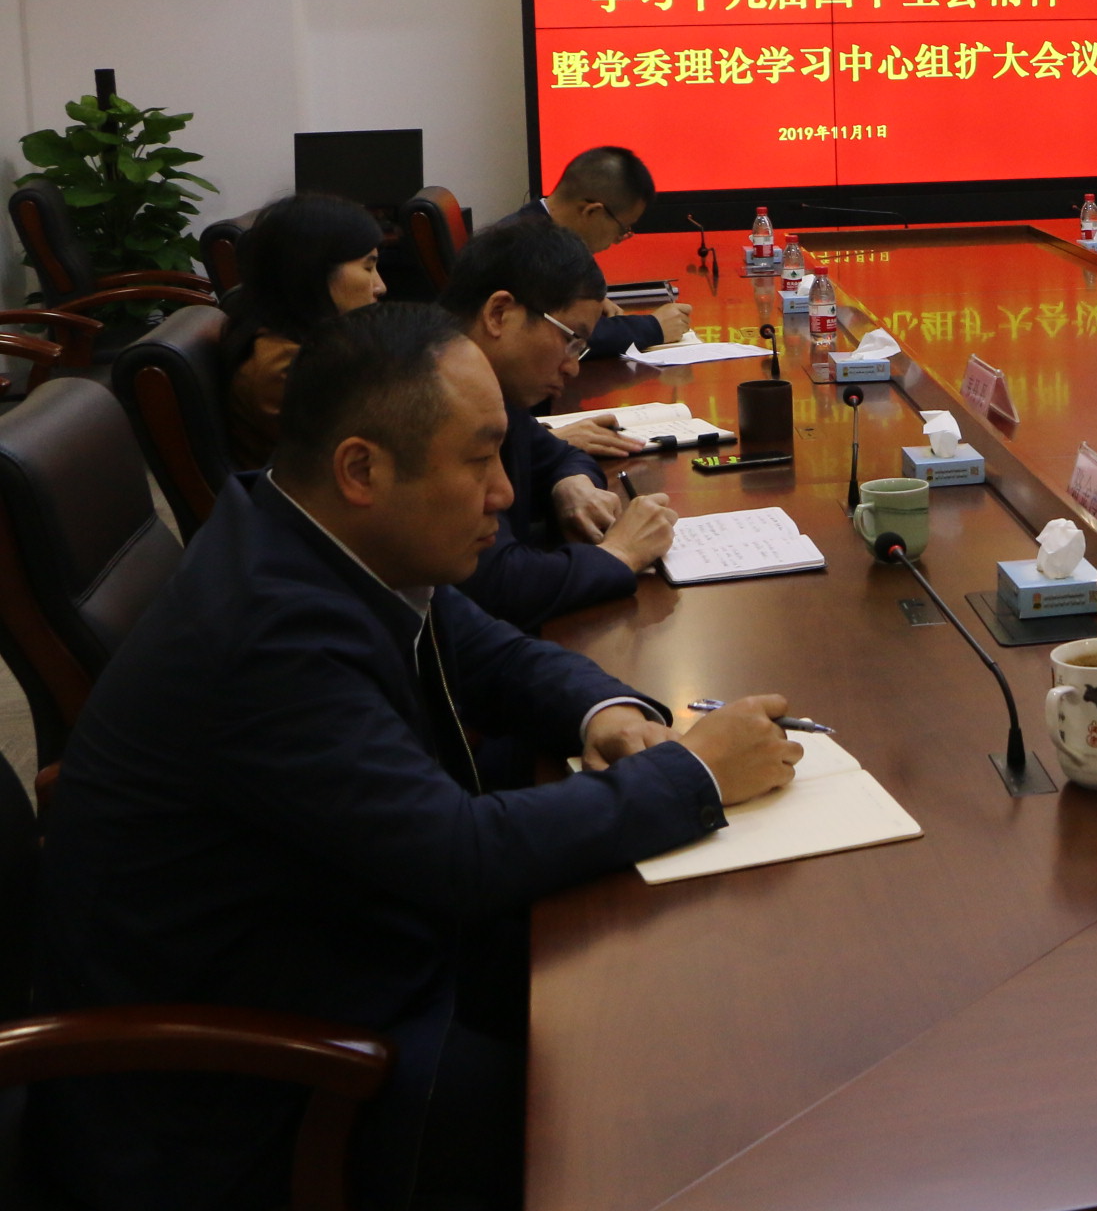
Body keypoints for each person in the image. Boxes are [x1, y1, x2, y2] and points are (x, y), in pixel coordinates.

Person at [32, 303, 802, 1211]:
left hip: (346, 944)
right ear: (362, 468)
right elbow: (459, 856)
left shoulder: (317, 531)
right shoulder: (268, 635)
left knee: (658, 981)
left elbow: (492, 653)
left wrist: (607, 713)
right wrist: (695, 772)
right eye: (478, 459)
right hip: (252, 1093)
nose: (504, 494)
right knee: (654, 1105)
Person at [439, 220, 675, 628]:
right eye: (570, 340)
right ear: (499, 314)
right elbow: (497, 584)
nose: (572, 367)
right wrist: (619, 555)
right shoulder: (435, 404)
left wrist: (570, 488)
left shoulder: (496, 390)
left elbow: (562, 456)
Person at [220, 193, 388, 467]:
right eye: (368, 267)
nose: (380, 286)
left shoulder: (308, 342)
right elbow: (373, 454)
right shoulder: (285, 369)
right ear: (315, 273)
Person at [509, 145, 691, 358]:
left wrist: (584, 300)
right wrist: (654, 327)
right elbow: (566, 337)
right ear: (592, 212)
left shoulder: (532, 230)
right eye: (623, 228)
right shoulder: (526, 250)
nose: (620, 239)